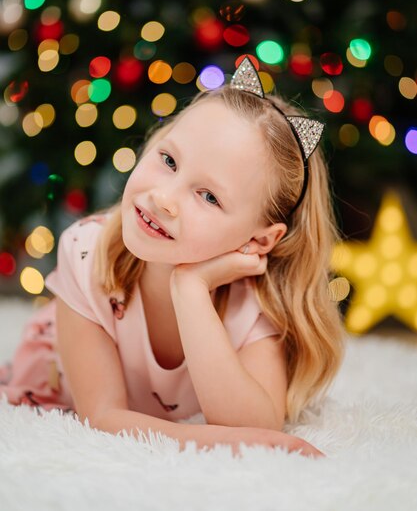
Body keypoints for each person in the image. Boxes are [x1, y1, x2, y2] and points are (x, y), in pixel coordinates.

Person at [0, 56, 347, 459]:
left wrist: (191, 289)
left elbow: (256, 423)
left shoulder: (255, 299)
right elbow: (103, 416)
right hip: (54, 380)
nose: (163, 198)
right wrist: (230, 444)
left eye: (209, 196)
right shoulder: (87, 253)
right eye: (168, 161)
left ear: (261, 239)